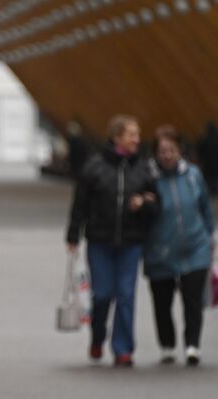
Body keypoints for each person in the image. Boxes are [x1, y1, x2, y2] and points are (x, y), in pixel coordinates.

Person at [66, 114, 158, 367]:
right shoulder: (95, 167)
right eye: (132, 134)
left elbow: (156, 200)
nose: (137, 139)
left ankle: (123, 348)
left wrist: (145, 202)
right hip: (100, 241)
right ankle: (97, 337)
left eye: (138, 135)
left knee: (126, 295)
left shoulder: (144, 168)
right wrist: (73, 235)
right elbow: (80, 204)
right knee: (103, 294)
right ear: (117, 137)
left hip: (131, 242)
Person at [144, 125, 215, 366]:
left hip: (195, 247)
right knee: (162, 301)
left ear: (180, 150)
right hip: (160, 250)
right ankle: (167, 343)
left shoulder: (193, 175)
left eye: (171, 150)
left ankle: (192, 344)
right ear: (155, 153)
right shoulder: (148, 179)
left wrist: (210, 235)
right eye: (162, 151)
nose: (167, 155)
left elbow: (205, 206)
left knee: (192, 300)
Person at [196, 122, 218, 195]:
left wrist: (202, 160)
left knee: (209, 178)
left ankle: (211, 192)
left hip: (208, 163)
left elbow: (200, 151)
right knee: (217, 178)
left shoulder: (205, 139)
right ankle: (217, 191)